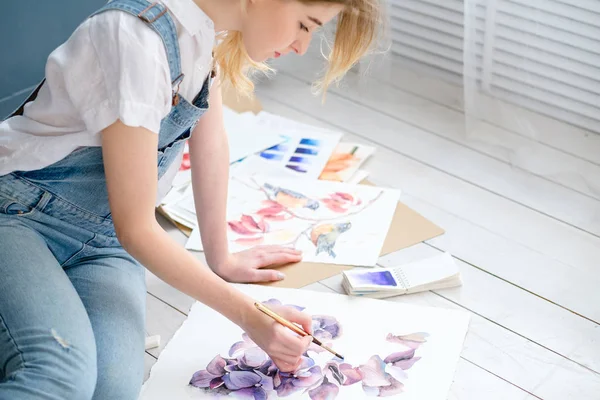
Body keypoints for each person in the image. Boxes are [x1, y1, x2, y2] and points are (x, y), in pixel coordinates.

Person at [0, 0, 381, 398]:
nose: (302, 46)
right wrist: (252, 317)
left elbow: (210, 142)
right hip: (19, 215)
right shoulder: (136, 38)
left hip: (104, 243)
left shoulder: (203, 37)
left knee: (111, 389)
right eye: (305, 25)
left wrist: (223, 259)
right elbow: (138, 230)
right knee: (61, 374)